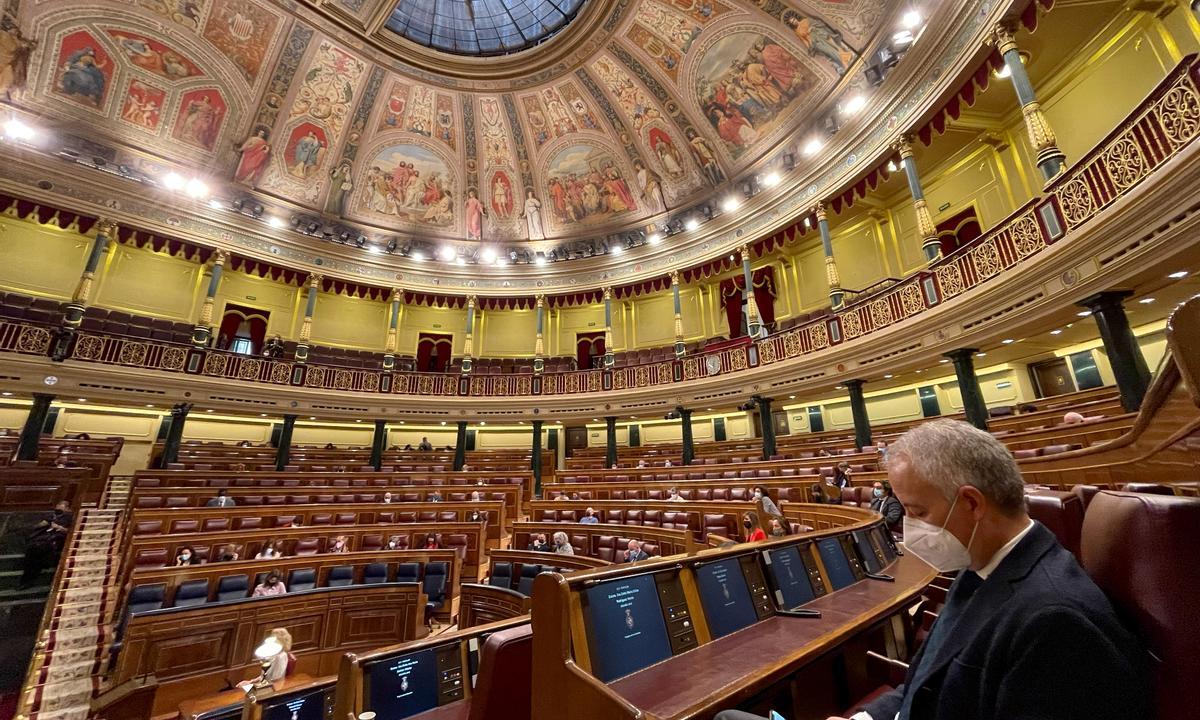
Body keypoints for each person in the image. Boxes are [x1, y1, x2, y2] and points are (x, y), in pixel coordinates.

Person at [805, 419, 1148, 720]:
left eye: (918, 511)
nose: (908, 527)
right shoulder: (981, 566)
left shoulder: (1055, 620)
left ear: (971, 503)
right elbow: (928, 684)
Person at [19, 501, 72, 588]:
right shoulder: (52, 515)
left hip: (55, 539)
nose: (58, 509)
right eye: (57, 507)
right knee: (33, 549)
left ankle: (29, 580)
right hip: (43, 538)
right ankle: (26, 579)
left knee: (38, 552)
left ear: (67, 508)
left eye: (61, 508)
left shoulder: (69, 517)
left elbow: (69, 531)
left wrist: (59, 527)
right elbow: (41, 524)